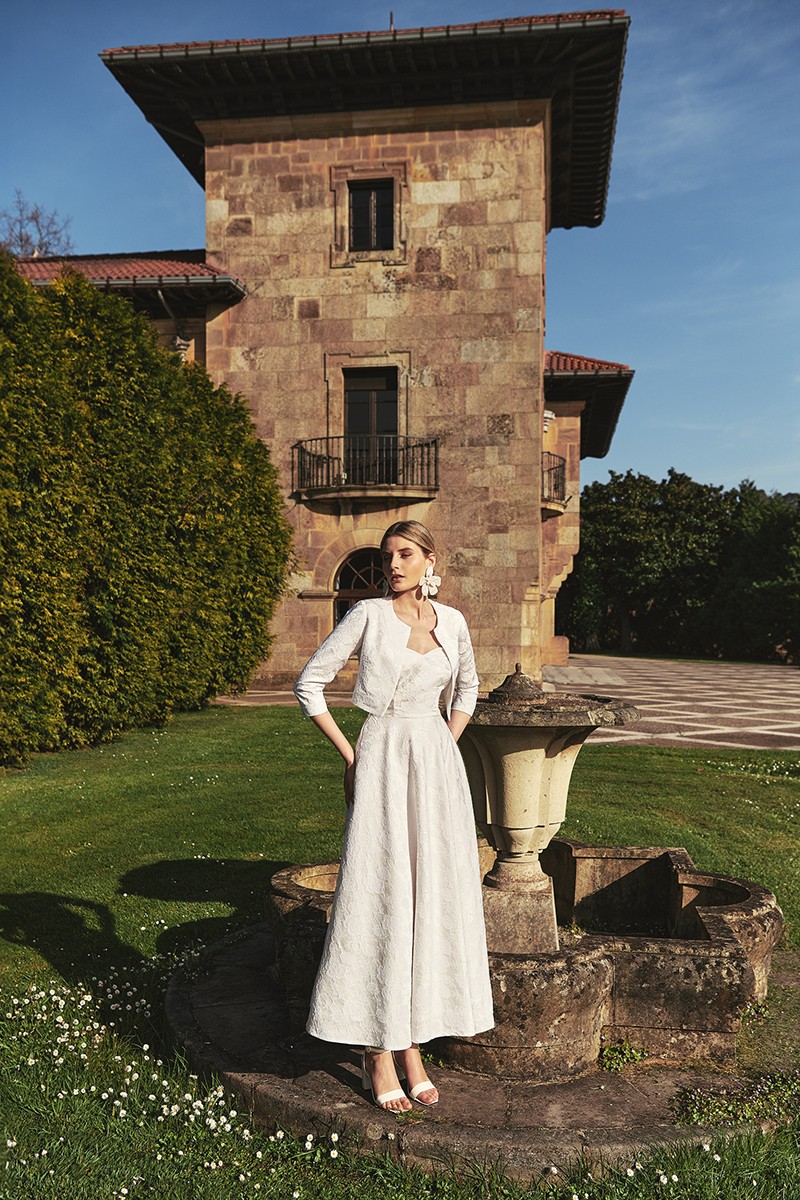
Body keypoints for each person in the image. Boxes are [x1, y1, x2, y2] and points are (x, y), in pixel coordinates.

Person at [294, 521, 494, 1113]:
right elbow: (310, 684)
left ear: (431, 559)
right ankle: (377, 1050)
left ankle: (411, 1046)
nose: (394, 566)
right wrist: (353, 755)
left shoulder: (451, 622)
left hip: (436, 766)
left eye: (405, 554)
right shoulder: (368, 616)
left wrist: (445, 743)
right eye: (387, 557)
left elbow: (468, 689)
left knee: (429, 895)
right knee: (381, 895)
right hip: (381, 757)